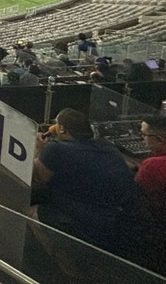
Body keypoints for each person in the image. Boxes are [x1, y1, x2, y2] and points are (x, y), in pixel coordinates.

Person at [31, 108, 148, 263]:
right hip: (119, 220)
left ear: (61, 129)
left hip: (88, 223)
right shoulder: (107, 147)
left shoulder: (56, 149)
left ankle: (63, 264)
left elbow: (37, 178)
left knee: (31, 211)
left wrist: (39, 149)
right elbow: (130, 167)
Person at [135, 115, 166, 278]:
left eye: (144, 135)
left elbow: (135, 198)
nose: (142, 139)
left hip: (156, 234)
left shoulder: (153, 166)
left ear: (159, 140)